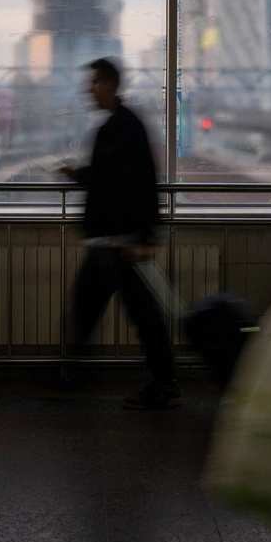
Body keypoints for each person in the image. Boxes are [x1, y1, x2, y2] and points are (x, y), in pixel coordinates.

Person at [59, 58, 180, 410]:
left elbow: (144, 183)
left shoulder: (126, 127)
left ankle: (165, 385)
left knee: (143, 317)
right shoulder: (113, 128)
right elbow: (109, 179)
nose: (89, 89)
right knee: (87, 307)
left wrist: (145, 239)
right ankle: (72, 374)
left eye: (94, 82)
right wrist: (79, 175)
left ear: (110, 84)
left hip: (124, 245)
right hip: (107, 242)